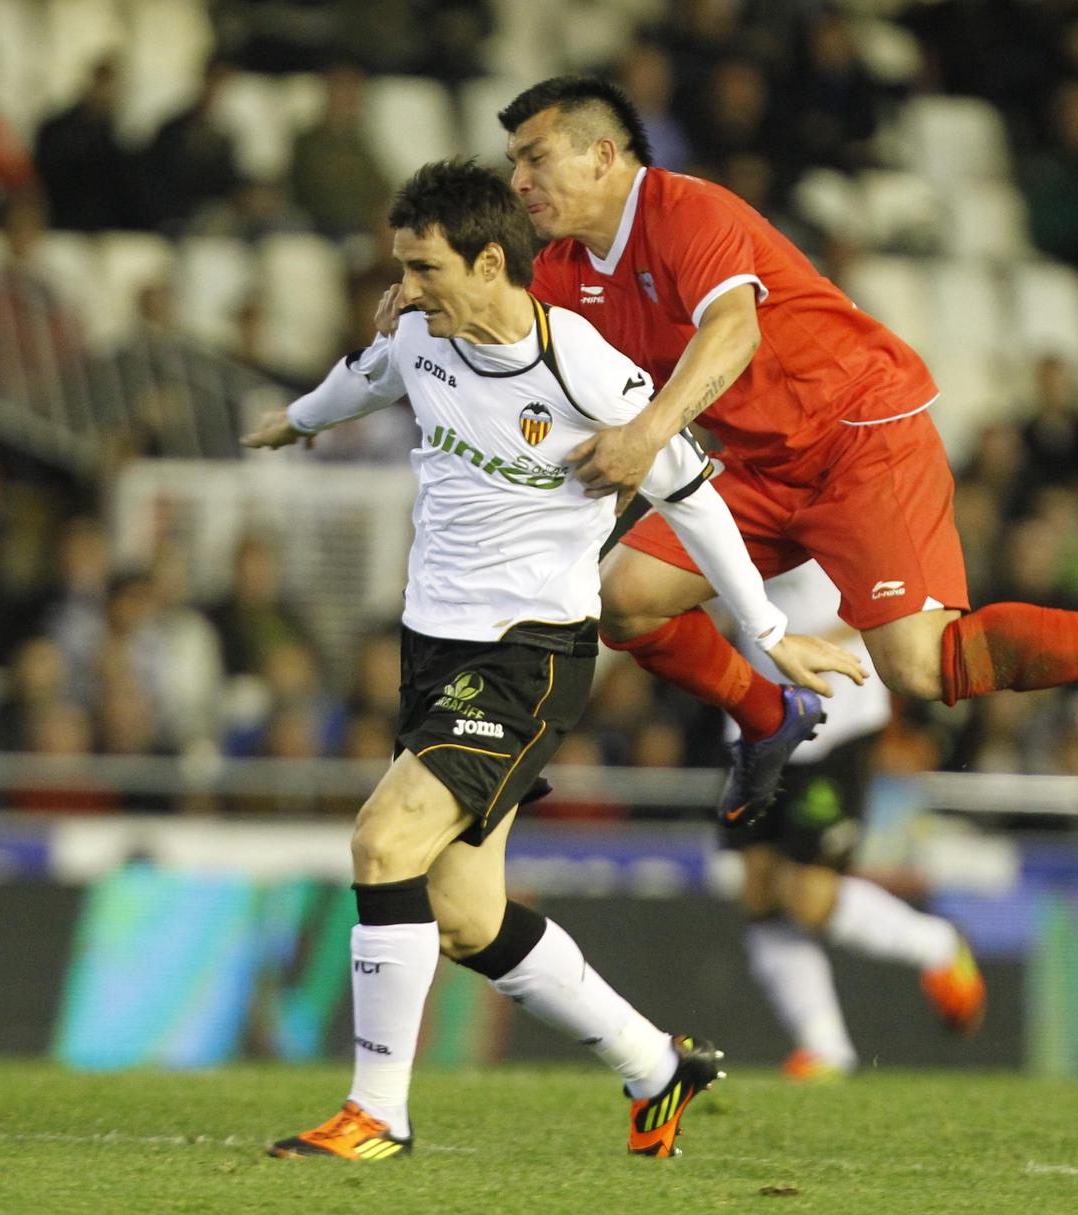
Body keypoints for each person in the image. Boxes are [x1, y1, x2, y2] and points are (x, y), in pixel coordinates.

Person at [241, 159, 866, 1161]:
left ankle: (377, 1116)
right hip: (433, 648)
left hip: (525, 658)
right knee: (464, 919)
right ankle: (656, 1066)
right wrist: (293, 423)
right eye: (399, 266)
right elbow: (359, 379)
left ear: (491, 262)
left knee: (381, 842)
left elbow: (691, 494)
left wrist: (763, 630)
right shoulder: (418, 334)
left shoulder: (581, 368)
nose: (405, 287)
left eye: (423, 267)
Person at [470, 76, 1078, 830]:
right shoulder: (567, 269)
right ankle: (768, 715)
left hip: (863, 437)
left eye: (535, 158)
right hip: (761, 464)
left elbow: (734, 328)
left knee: (923, 670)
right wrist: (421, 303)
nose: (520, 182)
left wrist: (647, 437)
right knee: (628, 601)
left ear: (602, 154)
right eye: (513, 164)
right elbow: (494, 321)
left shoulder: (689, 211)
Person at [723, 562, 984, 1080]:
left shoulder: (848, 496)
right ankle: (825, 1049)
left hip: (835, 718)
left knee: (807, 894)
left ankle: (937, 945)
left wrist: (806, 639)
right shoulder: (727, 488)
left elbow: (912, 600)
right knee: (757, 888)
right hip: (751, 711)